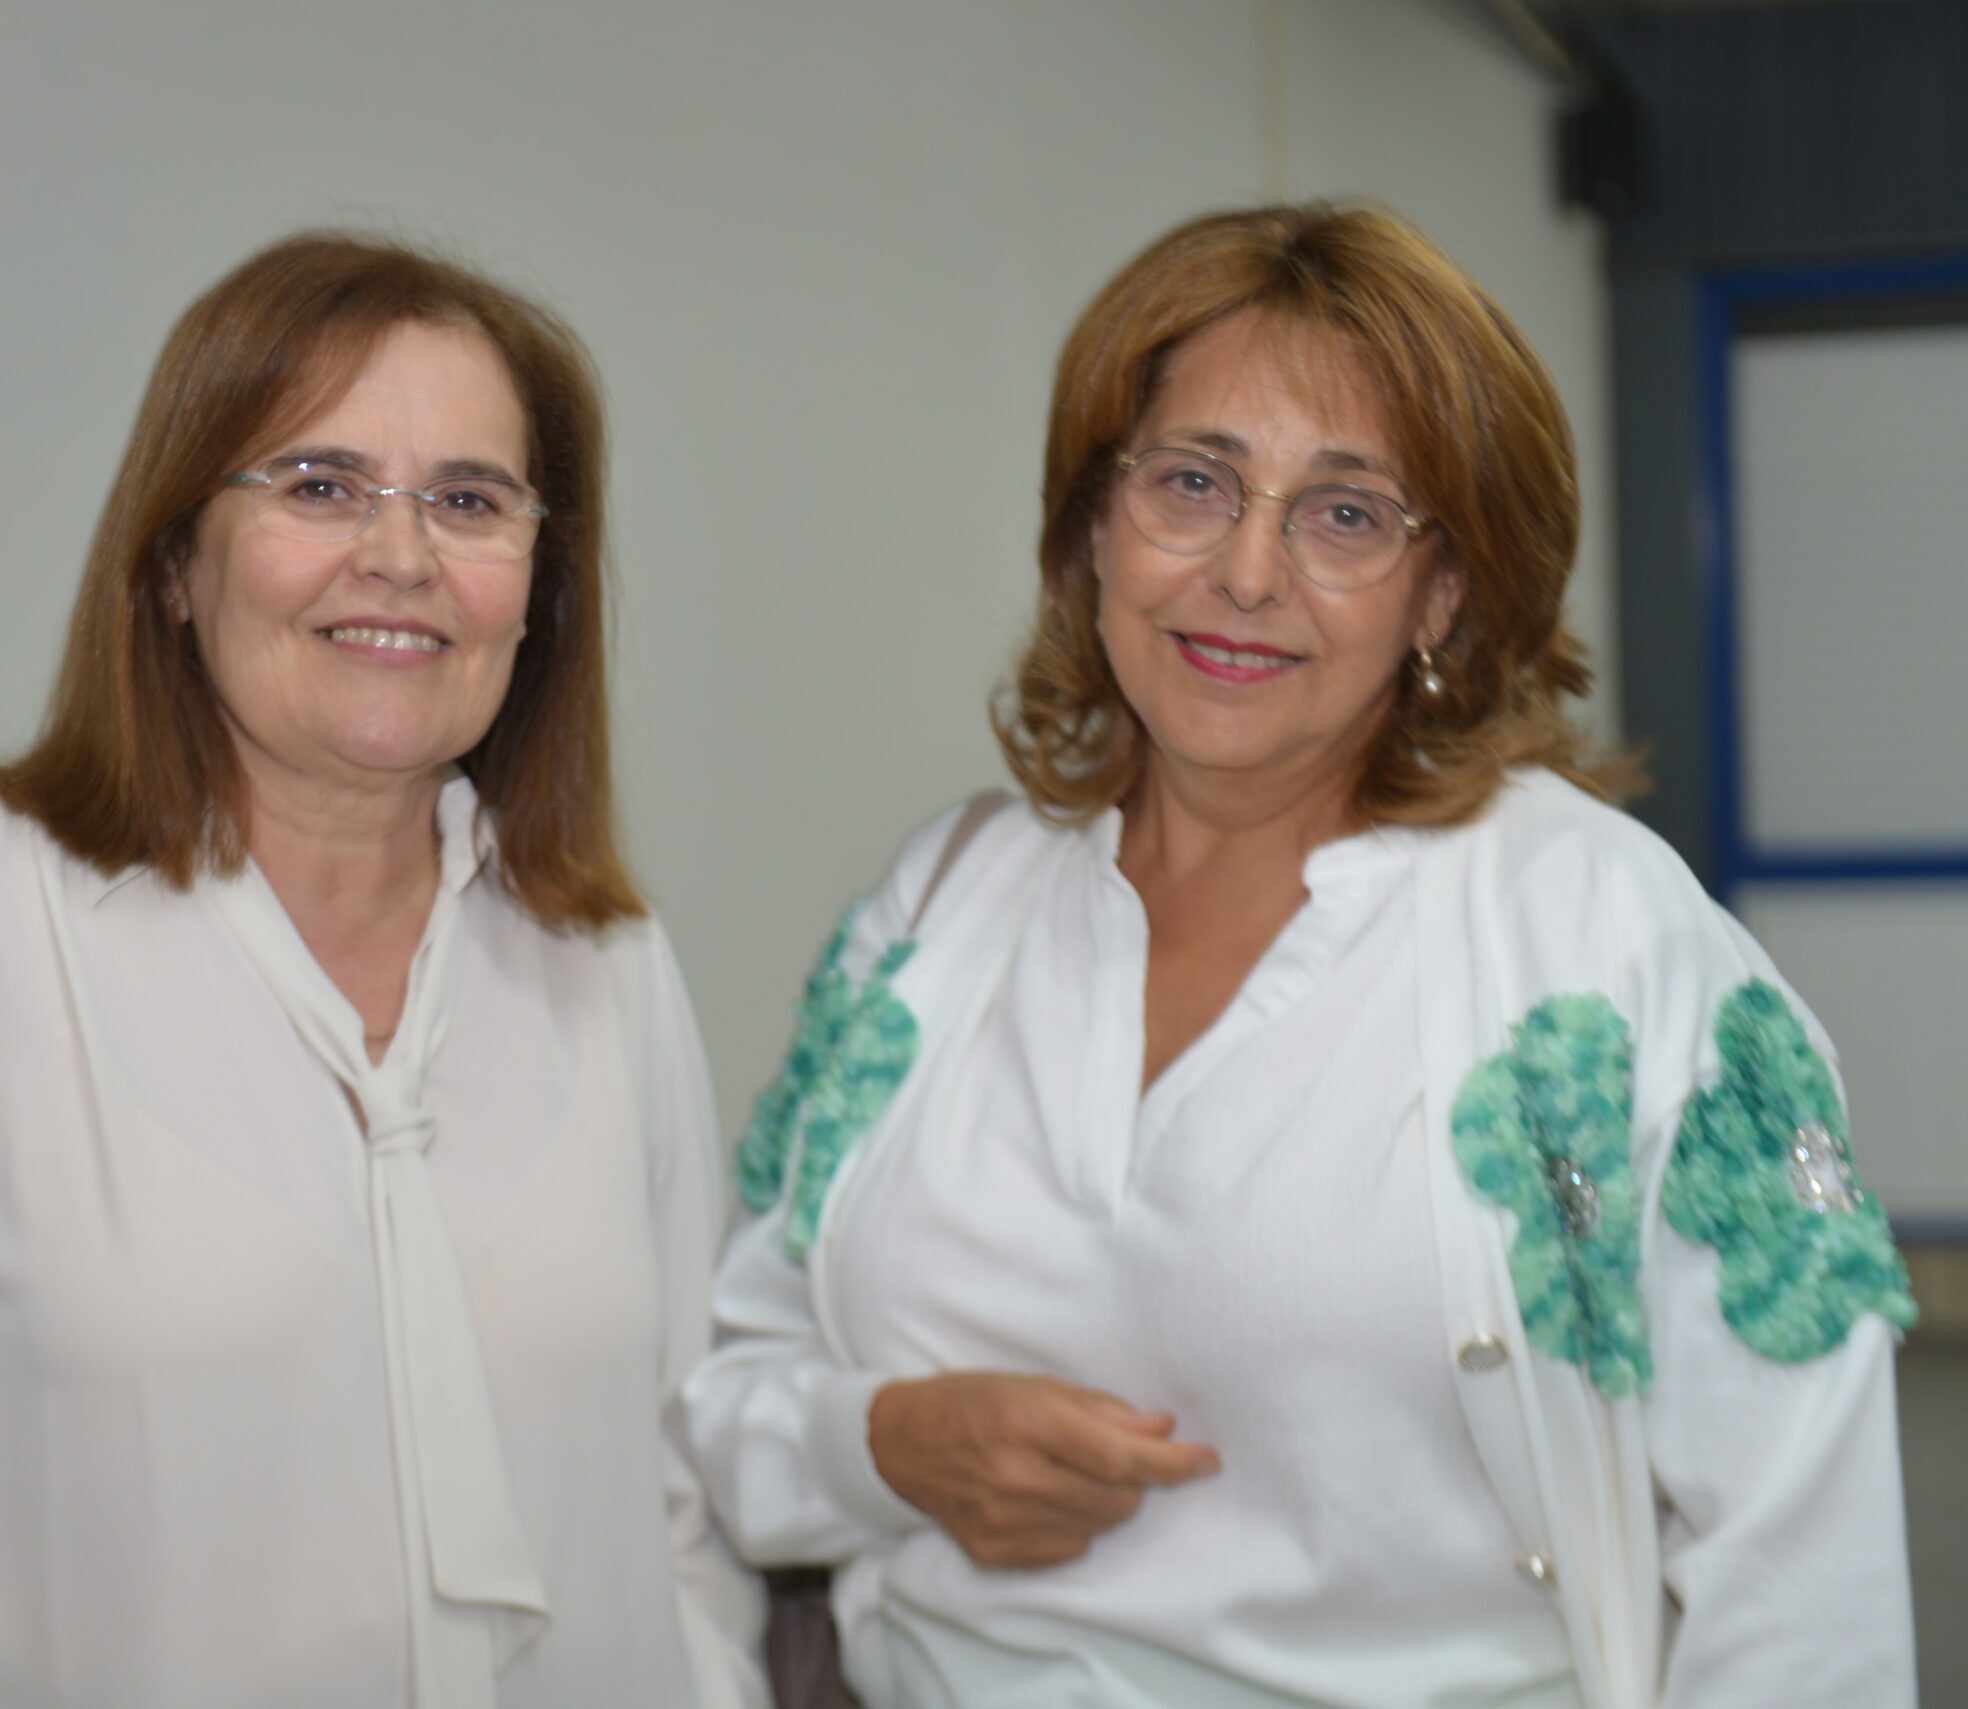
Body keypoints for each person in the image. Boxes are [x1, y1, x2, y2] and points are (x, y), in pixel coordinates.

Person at [686, 203, 1918, 1709]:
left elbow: (1802, 1581)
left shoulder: (1610, 949)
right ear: (1094, 526)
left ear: (1444, 593)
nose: (1248, 571)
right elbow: (727, 1392)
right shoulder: (939, 906)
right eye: (1193, 482)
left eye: (1346, 515)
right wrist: (881, 1446)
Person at [0, 234, 764, 1709]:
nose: (401, 556)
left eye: (468, 500)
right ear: (177, 564)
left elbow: (680, 1500)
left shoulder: (606, 962)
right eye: (319, 484)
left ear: (536, 586)